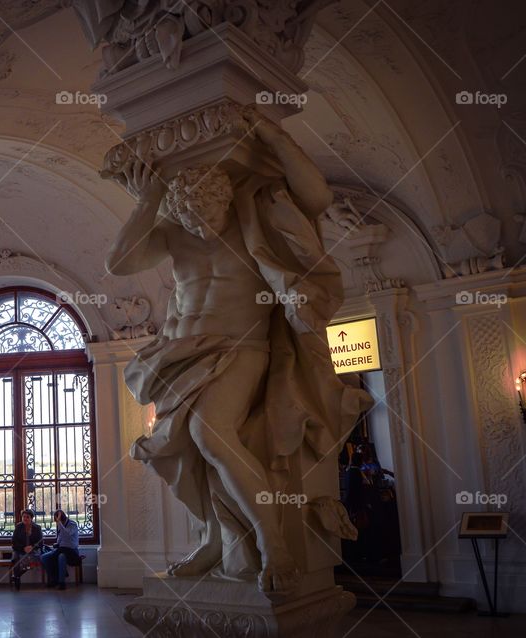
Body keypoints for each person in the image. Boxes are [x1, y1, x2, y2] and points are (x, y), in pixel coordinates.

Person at [106, 108, 371, 592]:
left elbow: (317, 196)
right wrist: (149, 199)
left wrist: (275, 136)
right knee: (192, 454)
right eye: (190, 216)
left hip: (243, 349)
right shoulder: (173, 230)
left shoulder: (256, 216)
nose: (202, 225)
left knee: (211, 434)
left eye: (208, 214)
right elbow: (119, 261)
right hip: (181, 354)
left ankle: (274, 543)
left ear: (225, 198)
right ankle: (215, 538)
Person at [41, 510, 80, 590]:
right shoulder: (60, 525)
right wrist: (57, 544)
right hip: (61, 549)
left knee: (61, 557)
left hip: (72, 551)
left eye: (58, 521)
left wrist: (59, 523)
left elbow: (67, 534)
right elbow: (60, 538)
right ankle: (54, 579)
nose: (57, 523)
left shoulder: (72, 524)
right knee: (44, 557)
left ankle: (61, 582)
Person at [10, 509, 42, 590]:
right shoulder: (18, 527)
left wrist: (32, 547)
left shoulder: (37, 528)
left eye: (27, 517)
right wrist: (23, 548)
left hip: (33, 551)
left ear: (31, 518)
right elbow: (14, 541)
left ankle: (17, 576)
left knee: (31, 562)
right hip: (19, 549)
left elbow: (40, 542)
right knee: (16, 559)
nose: (25, 519)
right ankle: (17, 582)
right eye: (24, 517)